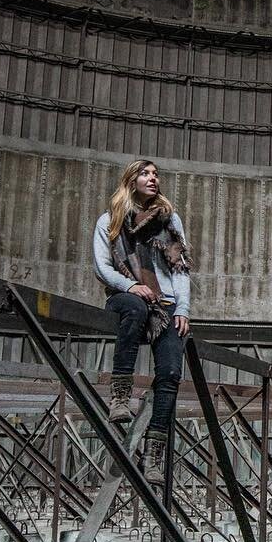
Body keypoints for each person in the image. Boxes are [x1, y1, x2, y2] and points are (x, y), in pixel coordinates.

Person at [91, 159, 191, 479]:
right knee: (135, 307)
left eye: (156, 174)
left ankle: (153, 455)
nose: (153, 178)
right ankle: (120, 397)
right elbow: (102, 267)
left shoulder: (169, 221)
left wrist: (183, 309)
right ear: (131, 180)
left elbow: (179, 269)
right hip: (125, 295)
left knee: (172, 372)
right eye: (145, 173)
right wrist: (132, 285)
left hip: (165, 305)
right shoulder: (110, 221)